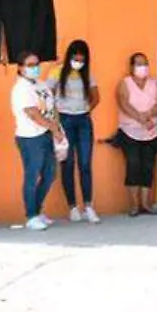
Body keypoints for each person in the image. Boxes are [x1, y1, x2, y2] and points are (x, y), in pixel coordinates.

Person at [47, 39, 101, 224]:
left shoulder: (87, 74)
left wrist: (85, 109)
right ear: (69, 56)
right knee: (67, 164)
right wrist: (55, 121)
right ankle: (72, 207)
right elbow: (47, 95)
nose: (78, 62)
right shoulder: (56, 72)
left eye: (81, 59)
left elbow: (96, 97)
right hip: (64, 120)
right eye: (75, 58)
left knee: (85, 164)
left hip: (84, 120)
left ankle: (88, 206)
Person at [12, 52, 64, 231]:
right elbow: (33, 113)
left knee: (49, 174)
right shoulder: (21, 88)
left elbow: (52, 106)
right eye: (30, 64)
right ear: (20, 68)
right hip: (30, 137)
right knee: (32, 175)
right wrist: (52, 127)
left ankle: (37, 209)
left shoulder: (40, 84)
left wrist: (56, 127)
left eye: (36, 64)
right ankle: (31, 215)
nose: (34, 67)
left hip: (46, 134)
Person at [116, 52, 157, 216]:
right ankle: (134, 204)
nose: (142, 67)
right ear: (131, 66)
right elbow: (124, 104)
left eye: (145, 63)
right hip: (130, 131)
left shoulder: (154, 84)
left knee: (148, 166)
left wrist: (149, 115)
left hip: (152, 132)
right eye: (138, 64)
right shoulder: (125, 83)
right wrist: (141, 118)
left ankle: (145, 202)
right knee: (133, 165)